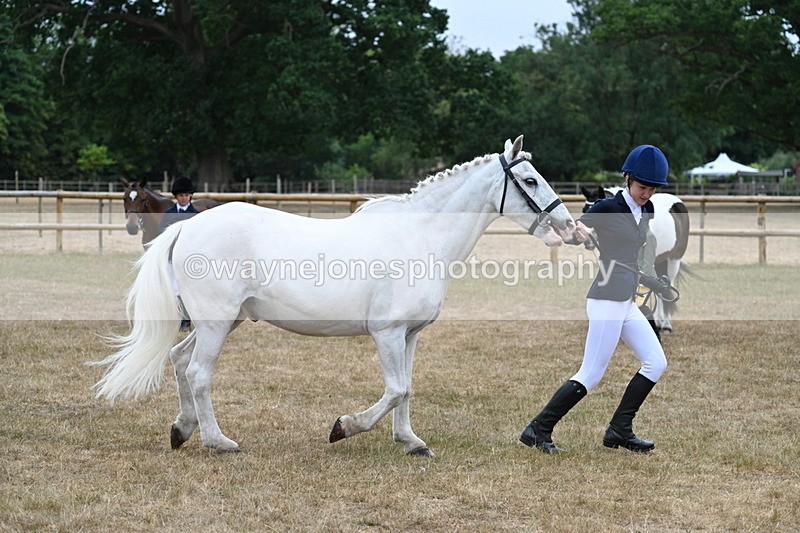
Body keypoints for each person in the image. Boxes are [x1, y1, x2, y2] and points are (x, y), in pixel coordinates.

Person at [520, 145, 669, 454]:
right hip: (606, 299)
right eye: (642, 186)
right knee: (591, 373)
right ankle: (538, 428)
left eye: (653, 187)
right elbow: (578, 230)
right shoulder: (606, 207)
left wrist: (652, 280)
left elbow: (627, 256)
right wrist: (579, 234)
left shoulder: (647, 210)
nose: (647, 192)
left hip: (626, 299)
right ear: (627, 179)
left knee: (656, 362)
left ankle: (619, 430)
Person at [160, 176, 200, 332]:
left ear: (190, 196)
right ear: (176, 197)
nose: (184, 198)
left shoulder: (196, 215)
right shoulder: (168, 213)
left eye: (186, 195)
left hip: (188, 259)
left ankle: (186, 320)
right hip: (171, 257)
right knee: (172, 289)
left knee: (185, 289)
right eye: (181, 195)